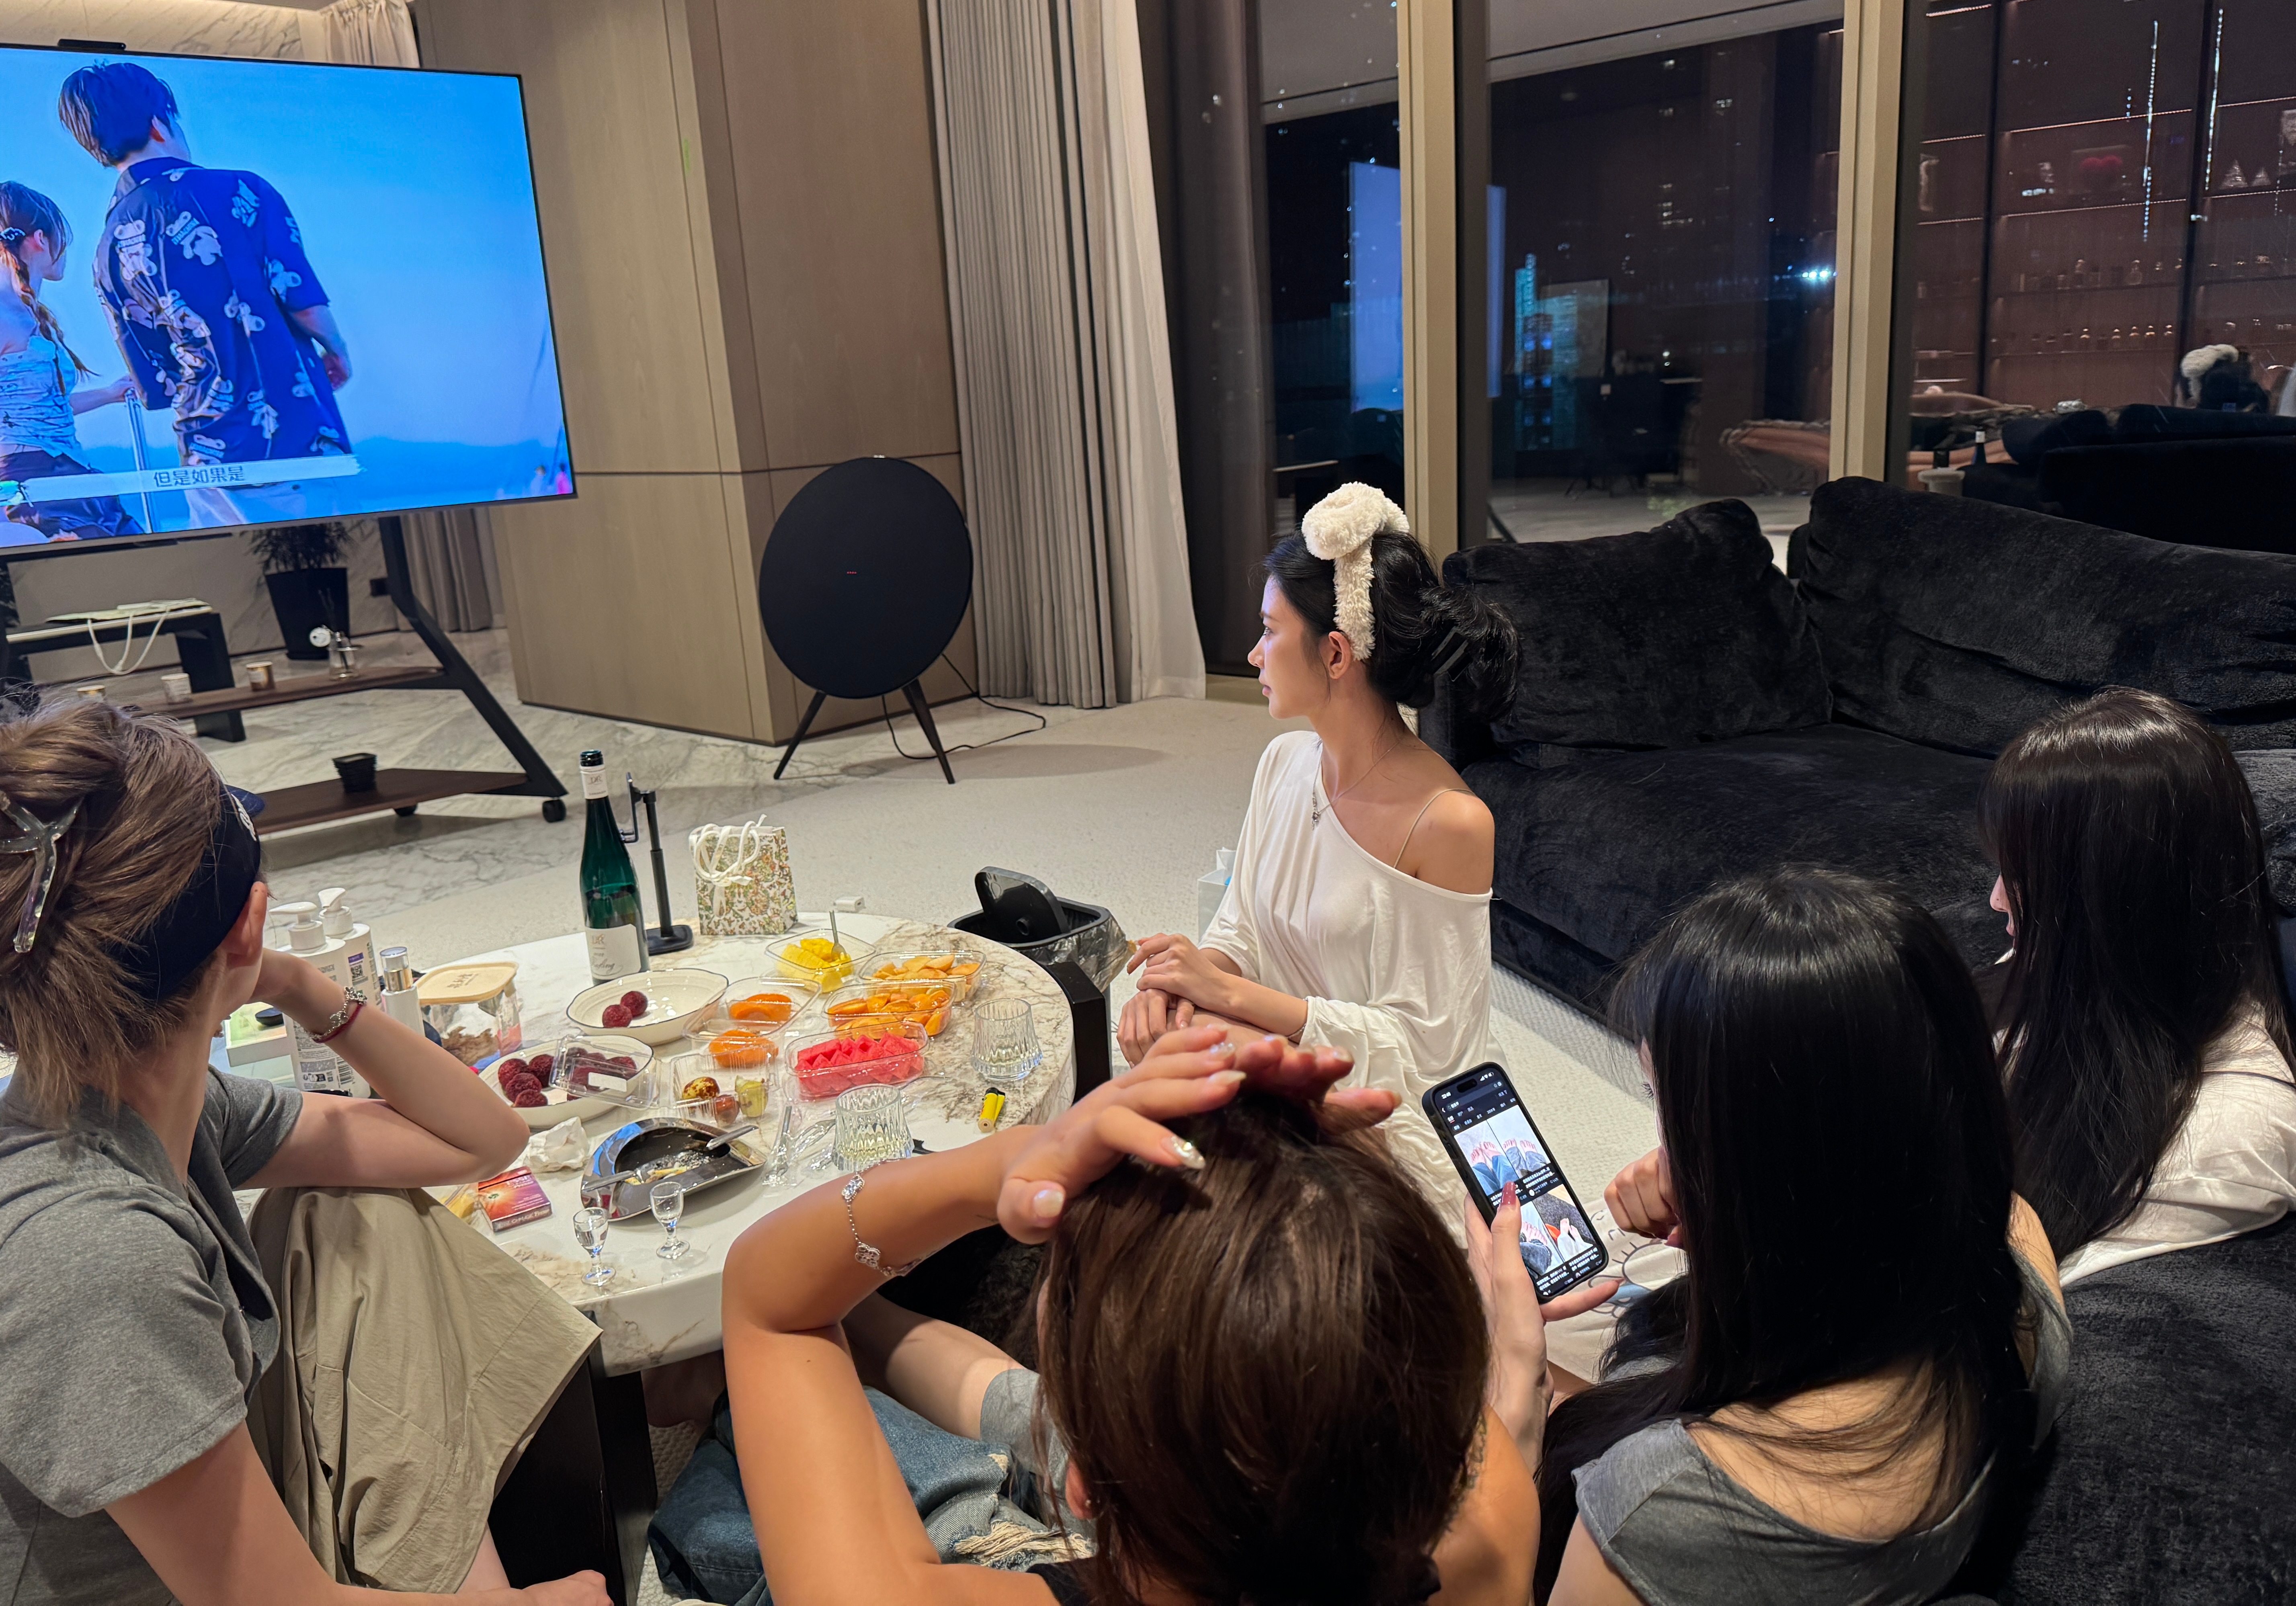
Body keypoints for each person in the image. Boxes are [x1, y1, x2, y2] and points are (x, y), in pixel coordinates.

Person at [0, 697, 607, 1606]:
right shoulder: (89, 1250)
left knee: (351, 1210)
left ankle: (461, 1574)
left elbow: (482, 1140)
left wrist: (295, 982)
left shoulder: (133, 1103)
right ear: (248, 921)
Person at [690, 1021, 1611, 1606]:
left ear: (1081, 1488)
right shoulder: (1495, 1524)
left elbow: (770, 1301)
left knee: (742, 1452)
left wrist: (1015, 1159)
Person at [1544, 869, 2068, 1604]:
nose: (1662, 1142)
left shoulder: (1664, 1503)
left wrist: (1511, 1388)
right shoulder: (2018, 1280)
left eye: (1662, 1101)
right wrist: (1738, 1214)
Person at [1117, 482, 1521, 1206]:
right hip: (1282, 1057)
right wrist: (1185, 981)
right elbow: (1241, 926)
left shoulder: (1449, 821)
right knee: (1167, 1046)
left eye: (1269, 631)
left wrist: (1226, 995)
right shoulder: (1283, 764)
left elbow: (1433, 1053)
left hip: (1383, 1112)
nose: (1254, 654)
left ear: (1335, 653)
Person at [1978, 687, 2296, 1284]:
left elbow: (2031, 1311)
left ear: (2115, 903)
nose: (1996, 899)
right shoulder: (2066, 975)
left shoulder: (2227, 1141)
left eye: (2025, 875)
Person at [57, 61, 354, 526]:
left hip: (203, 454)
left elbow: (155, 377)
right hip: (291, 438)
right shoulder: (241, 191)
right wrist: (336, 349)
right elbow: (302, 299)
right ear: (160, 124)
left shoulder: (107, 247)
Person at [0, 184, 139, 541]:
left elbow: (43, 407)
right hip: (30, 488)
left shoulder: (29, 313)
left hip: (70, 477)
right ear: (41, 239)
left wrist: (109, 394)